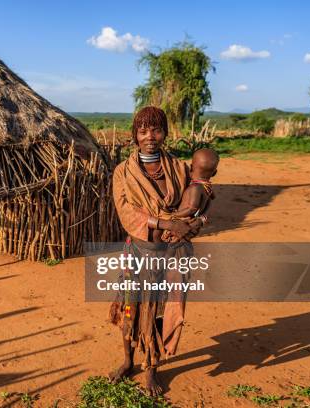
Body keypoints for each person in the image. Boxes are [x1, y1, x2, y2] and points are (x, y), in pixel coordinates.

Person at [108, 106, 206, 395]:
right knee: (130, 309)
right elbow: (125, 213)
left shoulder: (178, 168)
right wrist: (166, 223)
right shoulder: (123, 172)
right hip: (139, 253)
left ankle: (151, 368)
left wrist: (193, 224)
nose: (150, 136)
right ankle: (128, 361)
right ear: (135, 135)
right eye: (143, 130)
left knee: (160, 313)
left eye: (156, 129)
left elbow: (195, 201)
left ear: (165, 132)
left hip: (171, 254)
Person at [161, 148, 219, 242]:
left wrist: (173, 215)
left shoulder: (195, 187)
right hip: (192, 221)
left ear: (191, 168)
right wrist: (202, 218)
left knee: (172, 243)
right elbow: (210, 200)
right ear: (214, 173)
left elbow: (192, 208)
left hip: (183, 220)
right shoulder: (207, 188)